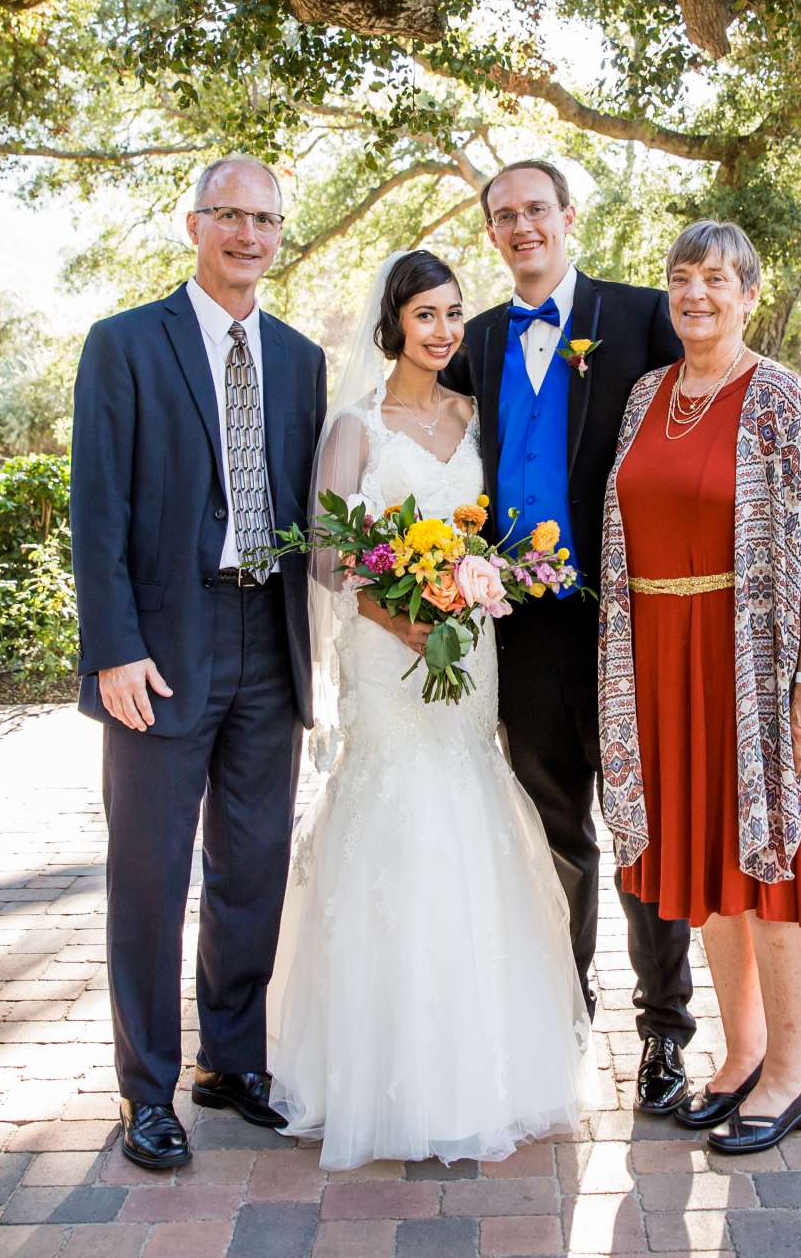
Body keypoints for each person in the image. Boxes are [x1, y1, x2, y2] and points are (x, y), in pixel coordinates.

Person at [265, 250, 589, 1169]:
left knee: (474, 811)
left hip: (467, 649)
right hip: (389, 653)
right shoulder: (356, 427)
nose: (445, 332)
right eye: (426, 317)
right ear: (393, 326)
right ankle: (382, 1069)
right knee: (398, 822)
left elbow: (492, 530)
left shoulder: (475, 418)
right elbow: (329, 557)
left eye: (454, 315)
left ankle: (482, 1067)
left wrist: (473, 590)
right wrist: (399, 612)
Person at [596, 219, 801, 1156]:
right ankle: (742, 1053)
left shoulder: (783, 397)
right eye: (682, 278)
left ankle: (794, 1076)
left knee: (782, 868)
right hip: (666, 664)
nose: (697, 295)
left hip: (753, 667)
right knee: (714, 866)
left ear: (750, 294)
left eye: (718, 279)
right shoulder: (645, 397)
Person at [69, 156, 326, 1172]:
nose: (249, 234)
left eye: (266, 218)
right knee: (148, 871)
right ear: (193, 224)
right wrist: (113, 649)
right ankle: (145, 1091)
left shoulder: (303, 360)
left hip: (272, 639)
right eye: (231, 215)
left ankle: (232, 1060)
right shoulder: (126, 345)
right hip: (163, 650)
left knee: (252, 863)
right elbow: (98, 513)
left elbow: (319, 516)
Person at [439, 160, 698, 1116]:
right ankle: (563, 1017)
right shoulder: (473, 342)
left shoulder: (639, 318)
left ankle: (664, 1034)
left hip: (628, 623)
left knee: (647, 828)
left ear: (567, 216)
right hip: (523, 630)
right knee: (553, 831)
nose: (521, 228)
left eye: (534, 210)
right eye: (503, 217)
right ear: (494, 233)